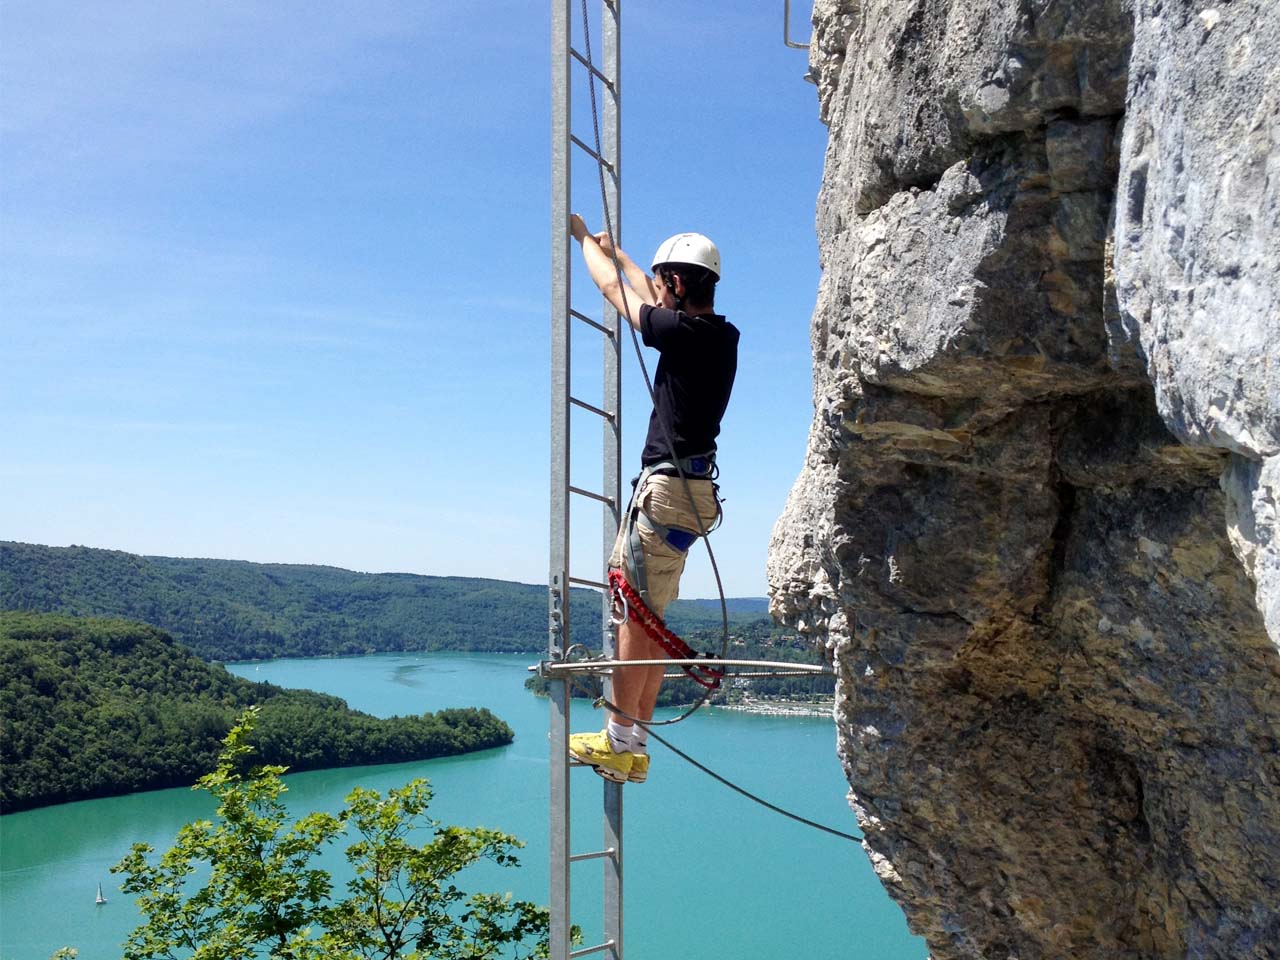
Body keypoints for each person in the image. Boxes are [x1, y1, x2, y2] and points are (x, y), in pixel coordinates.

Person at [566, 213, 739, 784]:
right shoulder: (718, 335)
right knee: (651, 620)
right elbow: (646, 292)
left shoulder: (682, 335)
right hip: (693, 495)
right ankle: (633, 747)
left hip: (665, 491)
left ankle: (617, 741)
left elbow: (617, 294)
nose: (660, 290)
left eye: (668, 282)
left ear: (681, 286)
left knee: (630, 617)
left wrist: (588, 245)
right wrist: (626, 255)